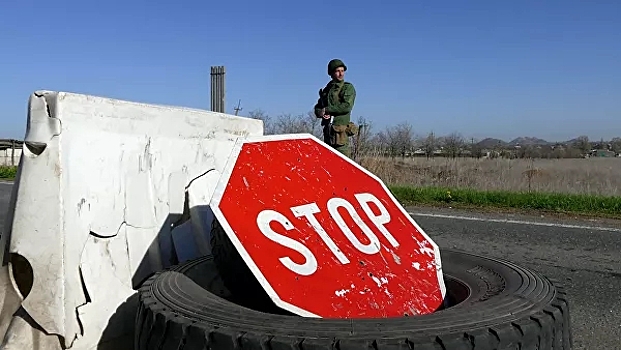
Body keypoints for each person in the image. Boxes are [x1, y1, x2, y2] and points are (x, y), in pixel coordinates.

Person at [314, 59, 357, 158]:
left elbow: (346, 106)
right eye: (338, 71)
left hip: (340, 135)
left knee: (343, 166)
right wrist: (321, 113)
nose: (341, 74)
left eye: (342, 71)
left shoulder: (347, 88)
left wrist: (328, 110)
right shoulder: (327, 90)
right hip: (328, 135)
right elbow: (318, 107)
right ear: (331, 73)